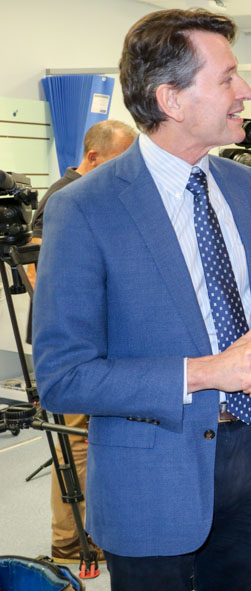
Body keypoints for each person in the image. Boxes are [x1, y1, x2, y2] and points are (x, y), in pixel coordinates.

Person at [32, 9, 251, 591]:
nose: (247, 92)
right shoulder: (85, 209)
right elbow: (64, 378)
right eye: (229, 77)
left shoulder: (245, 187)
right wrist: (209, 372)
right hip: (150, 476)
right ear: (171, 98)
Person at [28, 119, 137, 564]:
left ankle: (89, 533)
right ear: (93, 157)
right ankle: (70, 544)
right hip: (72, 348)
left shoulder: (91, 197)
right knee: (73, 441)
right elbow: (36, 271)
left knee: (88, 440)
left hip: (94, 345)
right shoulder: (63, 197)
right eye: (118, 162)